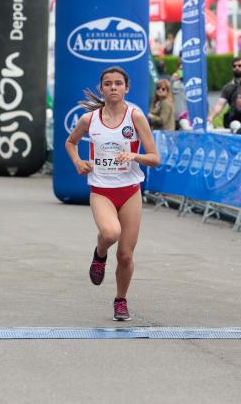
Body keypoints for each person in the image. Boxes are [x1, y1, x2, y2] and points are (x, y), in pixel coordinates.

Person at [65, 66, 159, 321]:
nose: (114, 87)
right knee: (110, 233)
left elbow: (155, 158)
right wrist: (77, 162)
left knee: (126, 254)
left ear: (126, 88)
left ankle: (120, 300)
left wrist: (134, 155)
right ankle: (100, 254)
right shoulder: (90, 120)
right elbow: (70, 142)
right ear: (101, 88)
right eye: (108, 83)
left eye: (118, 83)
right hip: (102, 191)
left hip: (130, 192)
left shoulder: (135, 117)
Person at [207, 57, 241, 129]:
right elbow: (220, 104)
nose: (237, 68)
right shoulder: (228, 87)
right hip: (233, 121)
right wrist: (211, 117)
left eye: (240, 65)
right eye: (234, 66)